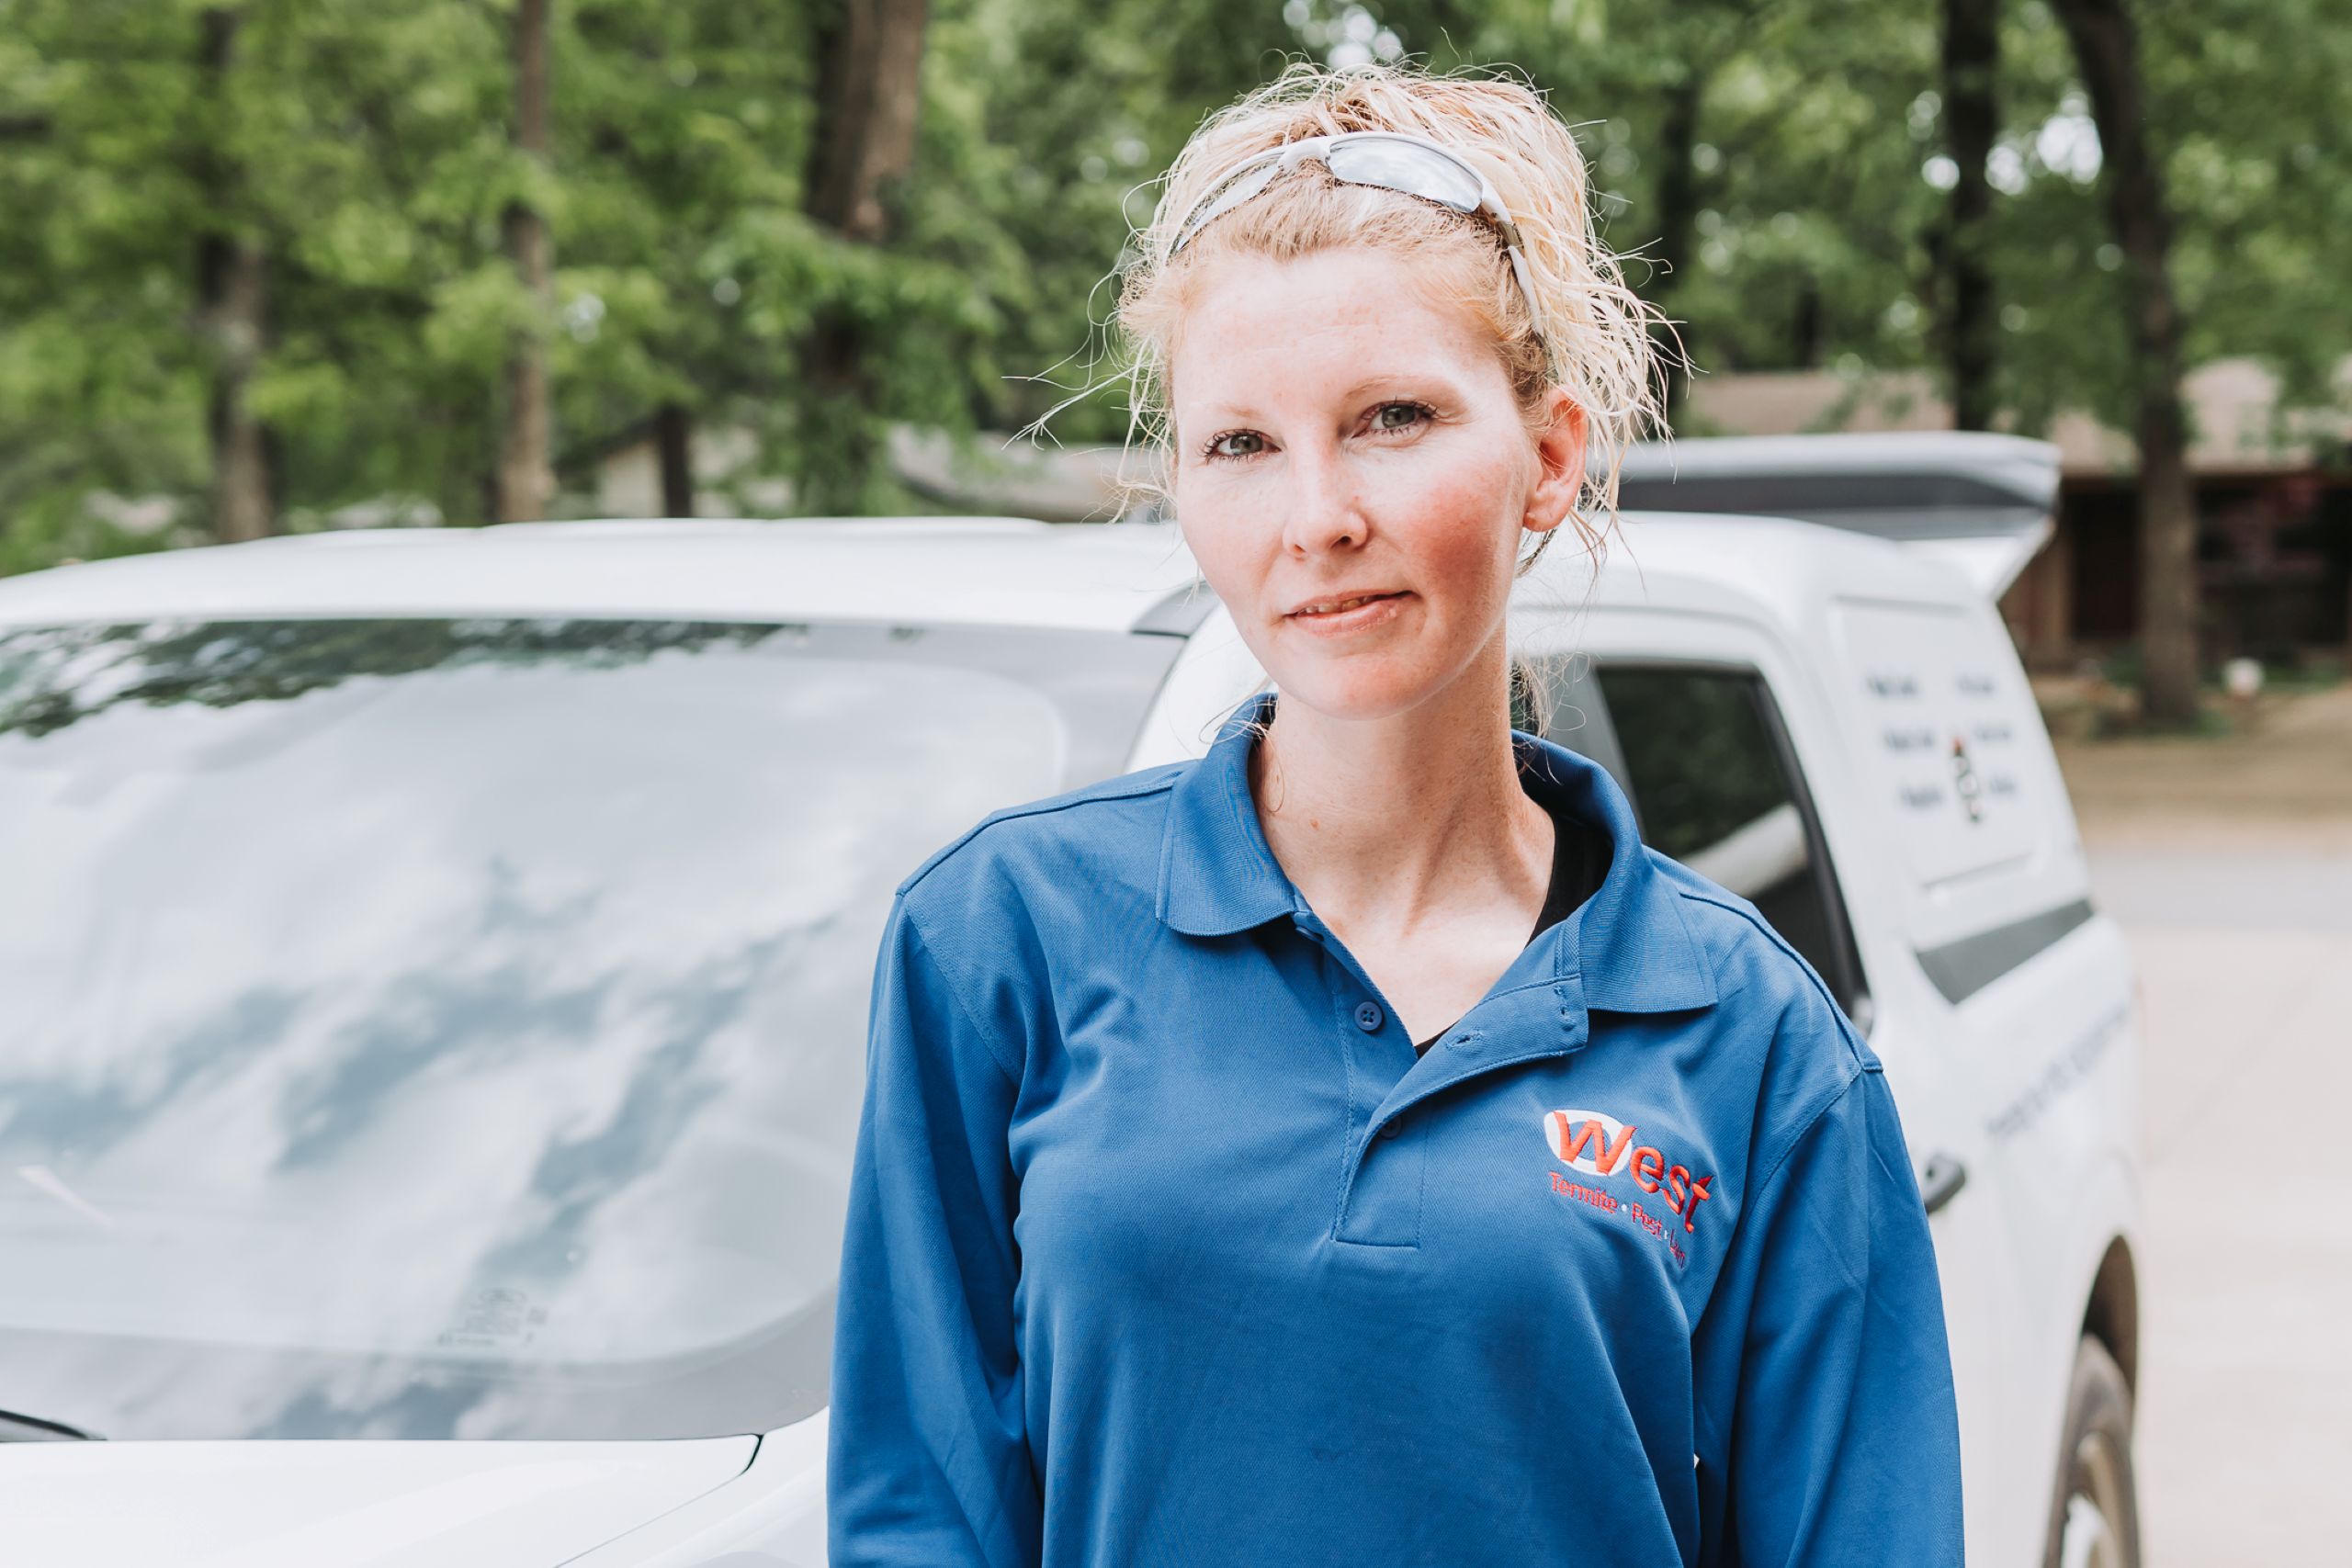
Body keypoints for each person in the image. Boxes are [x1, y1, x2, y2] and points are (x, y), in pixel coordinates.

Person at [827, 59, 1963, 1568]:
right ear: (1182, 482)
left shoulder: (1755, 1043)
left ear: (1550, 457)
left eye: (1391, 418)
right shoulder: (1001, 942)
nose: (1318, 518)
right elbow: (921, 1519)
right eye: (1242, 443)